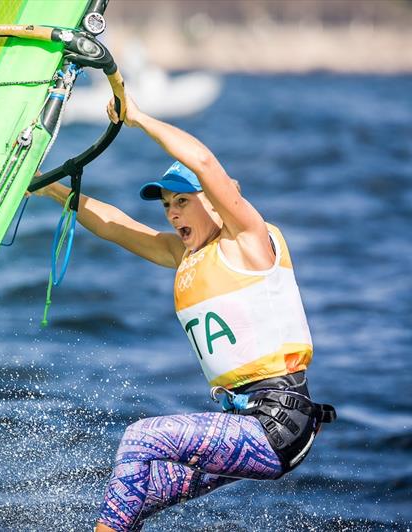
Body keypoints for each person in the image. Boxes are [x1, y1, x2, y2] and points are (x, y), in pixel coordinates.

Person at [32, 93, 335, 531]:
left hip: (278, 422)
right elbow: (114, 225)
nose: (173, 215)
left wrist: (137, 117)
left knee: (142, 438)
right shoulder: (184, 254)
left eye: (183, 201)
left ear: (215, 201)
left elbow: (208, 166)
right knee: (140, 493)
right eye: (167, 206)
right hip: (246, 423)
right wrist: (48, 186)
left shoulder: (248, 242)